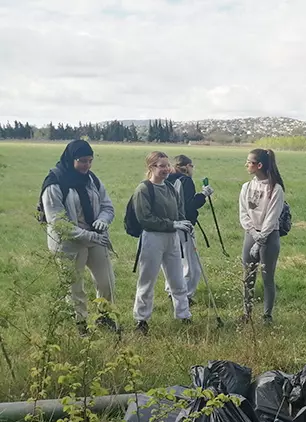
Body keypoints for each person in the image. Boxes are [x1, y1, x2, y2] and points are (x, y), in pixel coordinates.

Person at [40, 140, 116, 334]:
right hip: (69, 243)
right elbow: (58, 222)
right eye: (82, 161)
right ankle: (81, 325)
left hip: (96, 238)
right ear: (71, 158)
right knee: (75, 287)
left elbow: (107, 206)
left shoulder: (92, 180)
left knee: (106, 281)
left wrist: (103, 220)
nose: (87, 166)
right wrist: (86, 234)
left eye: (90, 161)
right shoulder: (55, 184)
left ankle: (104, 316)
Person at [132, 151, 193, 334]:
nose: (166, 169)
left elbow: (178, 211)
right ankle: (141, 320)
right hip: (152, 238)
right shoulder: (143, 189)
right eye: (162, 166)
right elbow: (145, 219)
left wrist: (183, 224)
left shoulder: (170, 188)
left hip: (172, 237)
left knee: (177, 279)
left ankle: (183, 315)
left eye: (168, 165)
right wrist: (172, 224)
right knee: (147, 280)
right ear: (151, 167)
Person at [239, 148, 285, 324]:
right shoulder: (247, 187)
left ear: (259, 165)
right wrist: (252, 233)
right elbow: (244, 213)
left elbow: (272, 217)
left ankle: (267, 315)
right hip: (251, 234)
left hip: (269, 236)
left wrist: (261, 238)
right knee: (248, 276)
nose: (246, 165)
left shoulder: (276, 189)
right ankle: (246, 312)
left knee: (267, 277)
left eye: (249, 162)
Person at [164, 155, 214, 304]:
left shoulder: (167, 179)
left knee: (174, 261)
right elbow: (189, 205)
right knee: (190, 264)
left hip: (168, 225)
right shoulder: (185, 181)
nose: (193, 169)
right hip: (183, 226)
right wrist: (204, 194)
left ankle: (171, 290)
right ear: (186, 167)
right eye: (192, 166)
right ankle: (185, 295)